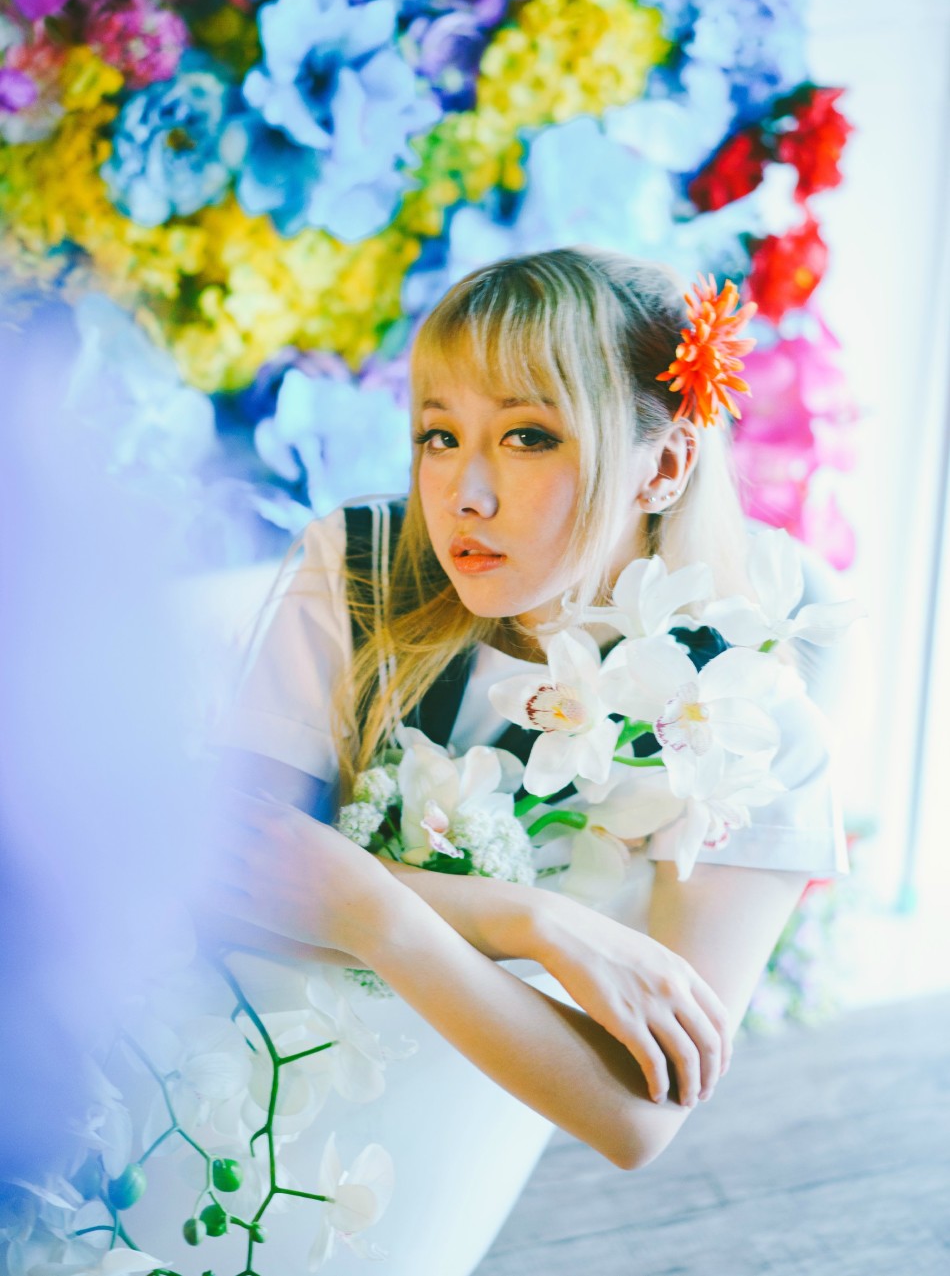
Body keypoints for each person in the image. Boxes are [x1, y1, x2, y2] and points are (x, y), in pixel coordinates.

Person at [201, 247, 847, 1274]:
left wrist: (374, 913)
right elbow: (216, 869)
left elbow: (638, 1115)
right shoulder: (356, 567)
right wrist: (530, 922)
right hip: (201, 1083)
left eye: (528, 436)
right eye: (439, 434)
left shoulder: (742, 728)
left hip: (433, 1164)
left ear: (663, 466)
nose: (464, 492)